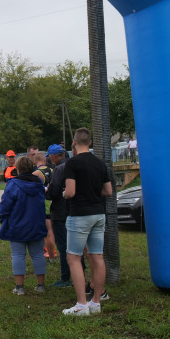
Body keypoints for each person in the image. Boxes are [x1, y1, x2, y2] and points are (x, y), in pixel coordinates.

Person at [61, 127, 112, 316]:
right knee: (97, 257)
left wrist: (65, 193)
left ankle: (81, 304)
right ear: (90, 143)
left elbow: (71, 192)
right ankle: (96, 302)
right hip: (99, 214)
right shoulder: (100, 164)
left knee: (73, 258)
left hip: (79, 215)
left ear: (74, 143)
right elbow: (108, 191)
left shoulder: (72, 164)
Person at [0, 156, 48, 295]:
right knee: (38, 254)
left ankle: (20, 288)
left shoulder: (13, 185)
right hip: (36, 224)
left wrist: (3, 219)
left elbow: (5, 205)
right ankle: (41, 285)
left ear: (17, 169)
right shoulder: (39, 184)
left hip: (17, 225)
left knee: (18, 255)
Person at [45, 144, 74, 287]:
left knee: (63, 246)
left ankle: (65, 277)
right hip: (74, 211)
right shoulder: (73, 165)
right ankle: (78, 271)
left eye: (50, 157)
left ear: (54, 156)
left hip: (60, 212)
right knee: (75, 245)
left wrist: (46, 191)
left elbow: (54, 191)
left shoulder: (59, 169)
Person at [31, 151, 59, 260]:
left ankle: (51, 256)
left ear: (34, 161)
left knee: (47, 232)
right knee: (52, 230)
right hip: (54, 201)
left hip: (43, 203)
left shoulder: (36, 174)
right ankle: (54, 252)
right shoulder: (53, 170)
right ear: (45, 160)